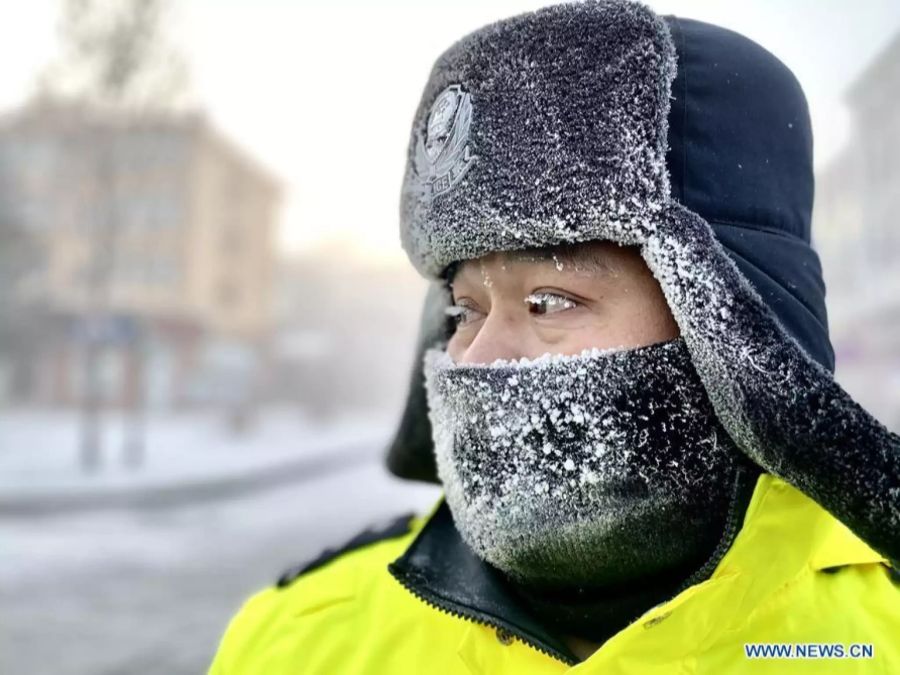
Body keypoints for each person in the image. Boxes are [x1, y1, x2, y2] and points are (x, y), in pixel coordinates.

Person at [208, 1, 900, 672]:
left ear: (735, 330)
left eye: (549, 300)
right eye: (463, 310)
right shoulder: (294, 643)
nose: (476, 356)